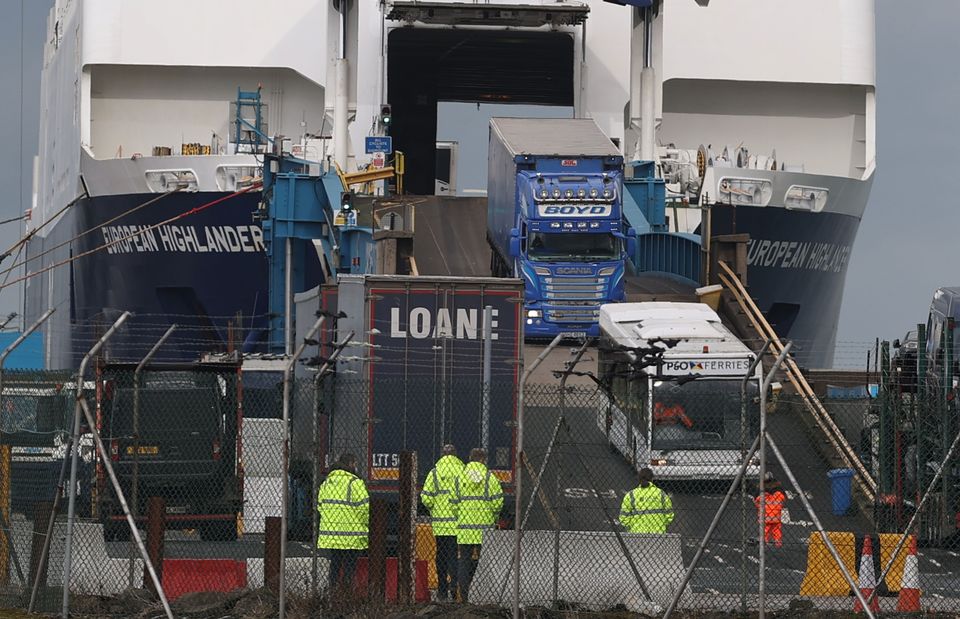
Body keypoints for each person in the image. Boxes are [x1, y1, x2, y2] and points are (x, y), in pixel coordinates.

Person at [451, 447, 503, 602]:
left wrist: (460, 516)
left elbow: (453, 503)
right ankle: (482, 595)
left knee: (464, 561)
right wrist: (493, 518)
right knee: (484, 562)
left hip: (465, 528)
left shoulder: (460, 478)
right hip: (485, 529)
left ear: (470, 458)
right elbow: (498, 503)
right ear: (483, 460)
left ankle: (465, 596)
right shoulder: (490, 478)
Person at [317, 453, 369, 600]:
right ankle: (346, 597)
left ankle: (332, 595)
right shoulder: (355, 483)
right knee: (349, 567)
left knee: (335, 564)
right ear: (351, 464)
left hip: (332, 534)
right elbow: (364, 508)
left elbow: (320, 506)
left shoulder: (327, 483)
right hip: (351, 534)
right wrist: (363, 525)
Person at [420, 444, 465, 602]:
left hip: (440, 524)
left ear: (443, 455)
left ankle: (442, 590)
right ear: (455, 455)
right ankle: (454, 587)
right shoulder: (462, 471)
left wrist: (434, 507)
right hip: (457, 523)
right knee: (454, 555)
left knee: (441, 556)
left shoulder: (435, 473)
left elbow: (425, 498)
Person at [619, 467, 674, 533]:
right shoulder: (661, 494)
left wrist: (631, 527)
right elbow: (669, 514)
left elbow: (623, 517)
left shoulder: (631, 495)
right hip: (658, 533)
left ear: (639, 479)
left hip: (637, 533)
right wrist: (662, 524)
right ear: (652, 479)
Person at [754, 473, 786, 548]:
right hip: (776, 514)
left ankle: (764, 541)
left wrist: (759, 506)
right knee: (777, 528)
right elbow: (783, 499)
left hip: (764, 514)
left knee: (765, 529)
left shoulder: (761, 489)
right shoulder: (778, 489)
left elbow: (756, 500)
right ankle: (778, 542)